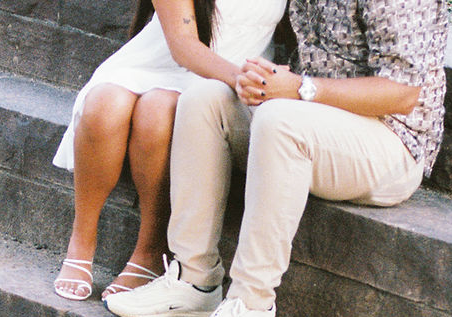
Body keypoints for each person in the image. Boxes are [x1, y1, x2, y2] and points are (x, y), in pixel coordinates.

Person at [104, 0, 448, 317]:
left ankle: (252, 306)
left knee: (279, 120)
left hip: (391, 143)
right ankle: (195, 281)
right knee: (205, 98)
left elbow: (404, 93)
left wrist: (301, 88)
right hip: (314, 117)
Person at [52, 0, 286, 301]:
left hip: (224, 79)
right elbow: (183, 45)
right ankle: (81, 240)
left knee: (157, 111)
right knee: (104, 105)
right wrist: (242, 80)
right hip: (171, 62)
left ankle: (150, 249)